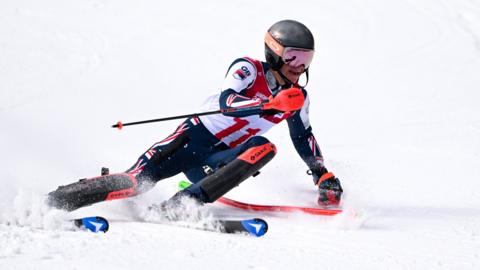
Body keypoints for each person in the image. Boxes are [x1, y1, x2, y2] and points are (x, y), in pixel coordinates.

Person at [47, 19, 343, 214]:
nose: (299, 66)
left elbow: (303, 137)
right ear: (274, 52)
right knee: (135, 184)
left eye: (306, 59)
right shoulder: (248, 69)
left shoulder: (297, 98)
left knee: (264, 147)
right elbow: (228, 102)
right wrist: (267, 103)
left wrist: (322, 174)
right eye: (293, 57)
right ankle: (56, 200)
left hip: (216, 160)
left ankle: (183, 204)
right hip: (190, 140)